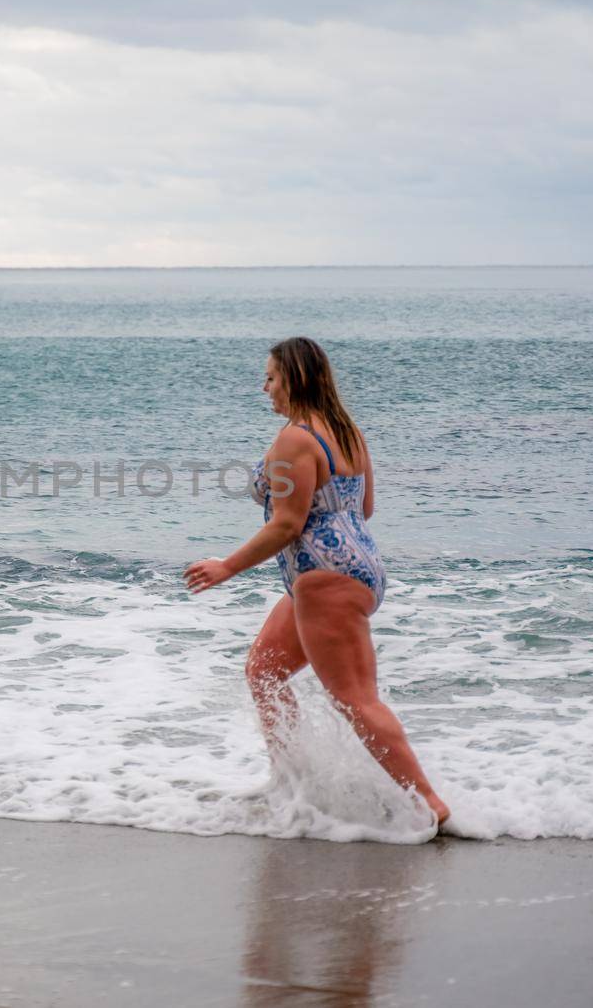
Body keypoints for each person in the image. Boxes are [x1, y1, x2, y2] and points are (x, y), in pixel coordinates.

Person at [184, 337, 450, 828]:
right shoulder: (346, 431)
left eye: (271, 377)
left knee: (357, 700)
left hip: (324, 577)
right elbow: (364, 508)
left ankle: (429, 805)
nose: (264, 387)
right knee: (264, 670)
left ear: (295, 378)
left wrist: (227, 567)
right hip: (354, 566)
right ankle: (292, 785)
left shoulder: (295, 439)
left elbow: (287, 524)